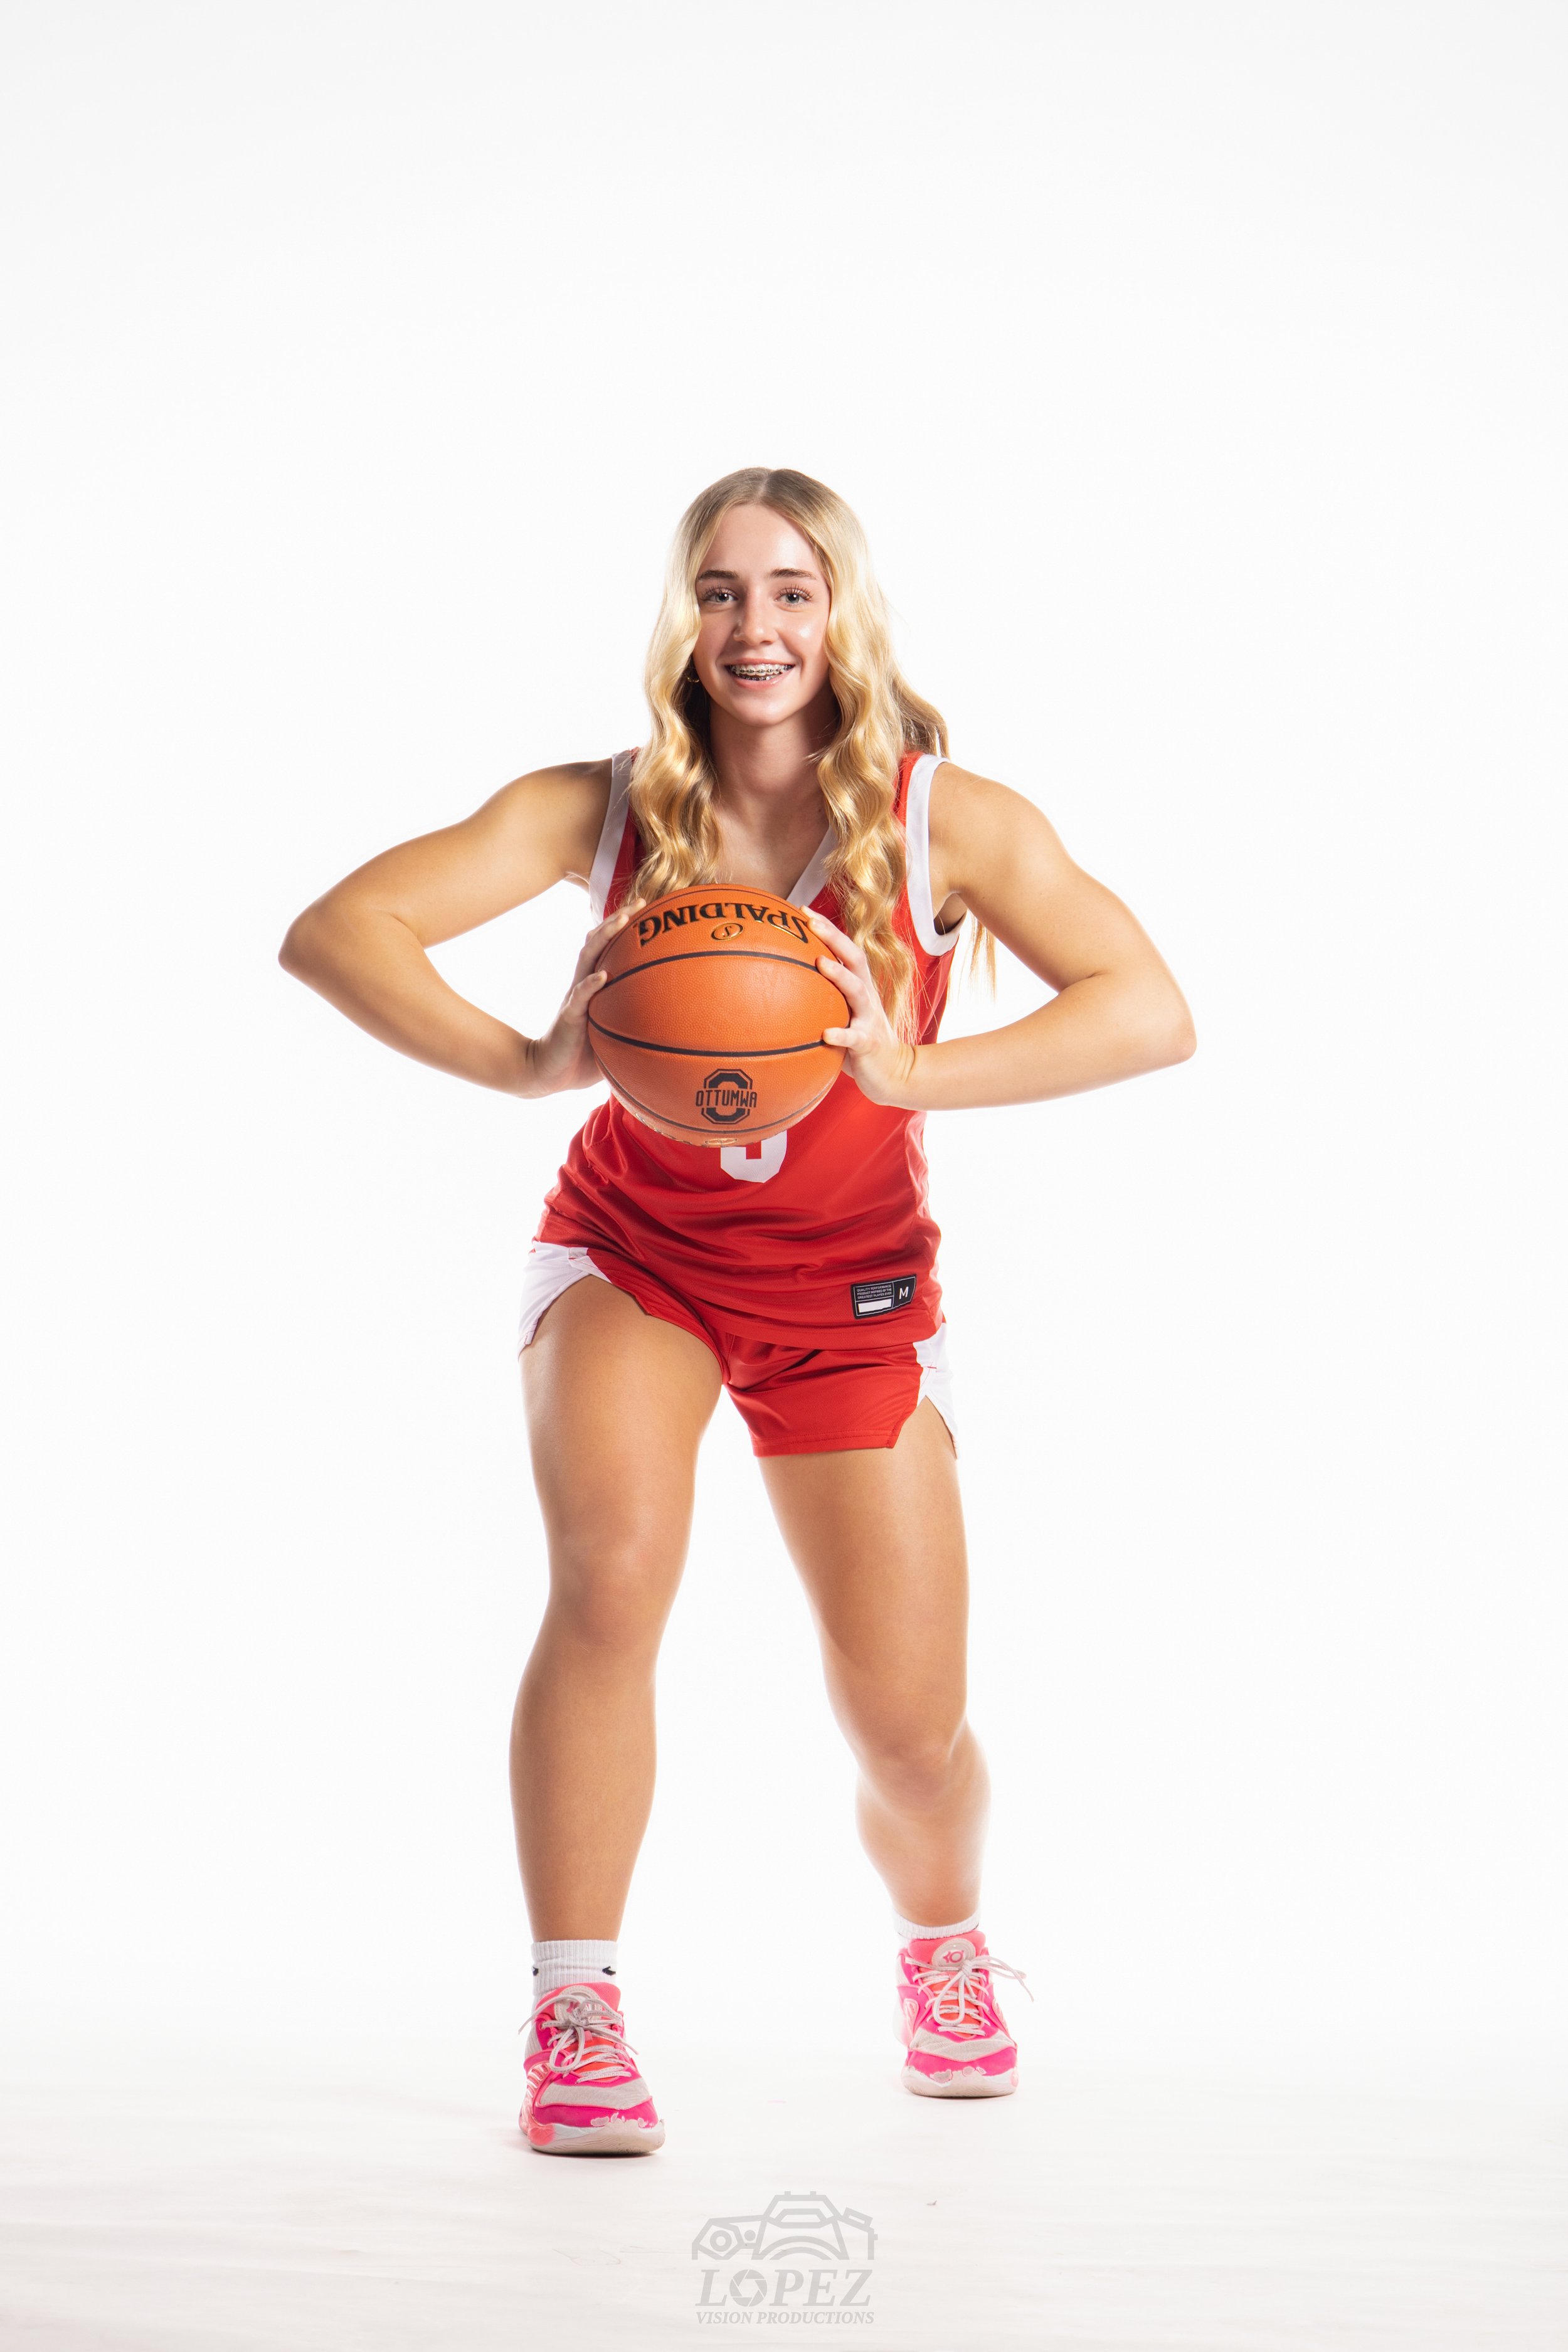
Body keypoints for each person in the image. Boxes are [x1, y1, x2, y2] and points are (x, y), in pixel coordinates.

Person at [280, 466, 1195, 2158]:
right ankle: (575, 2009)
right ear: (678, 618)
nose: (753, 627)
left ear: (838, 611)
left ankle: (944, 1948)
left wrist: (912, 1067)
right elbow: (338, 929)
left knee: (908, 1731)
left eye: (787, 591)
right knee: (610, 1578)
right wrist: (532, 1062)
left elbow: (1146, 1012)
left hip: (847, 1295)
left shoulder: (943, 819)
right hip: (634, 1255)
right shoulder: (600, 805)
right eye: (718, 592)